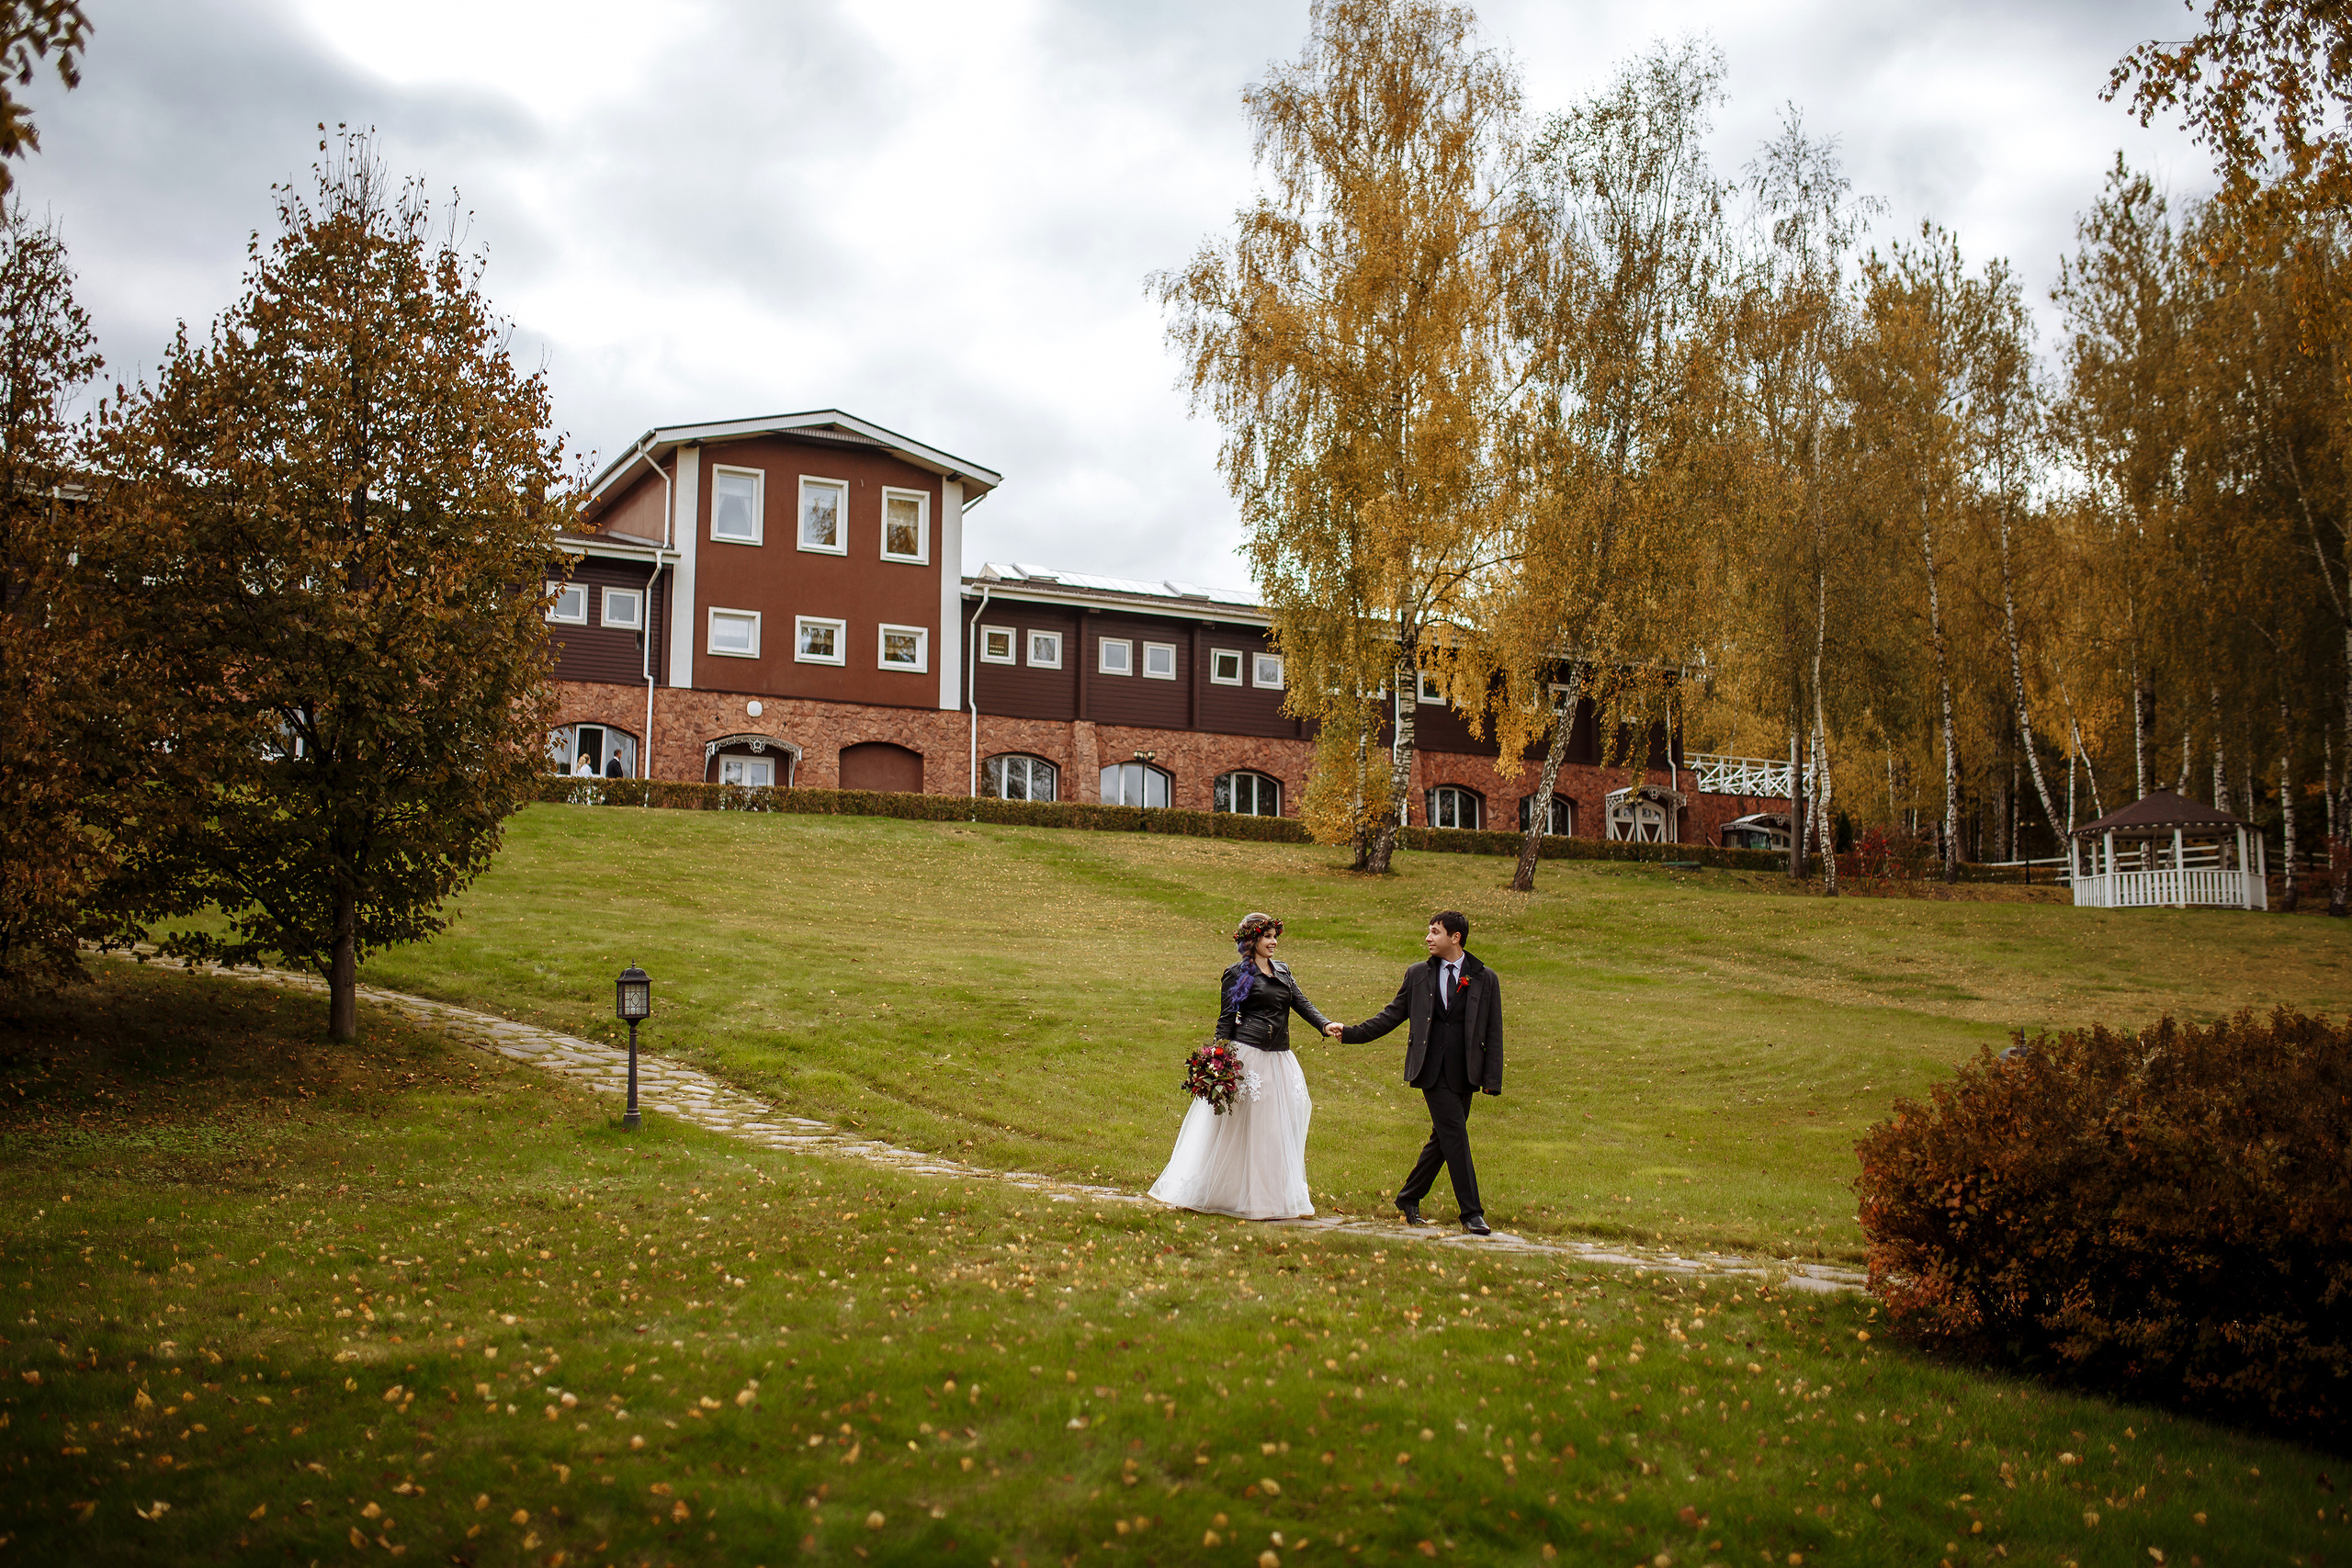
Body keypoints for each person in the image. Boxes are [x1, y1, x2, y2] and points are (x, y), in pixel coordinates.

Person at [1327, 909, 1501, 1235]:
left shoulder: (1484, 977)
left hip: (1467, 1073)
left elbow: (1493, 1030)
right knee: (1456, 1136)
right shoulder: (1418, 974)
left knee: (1445, 1138)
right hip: (1431, 1071)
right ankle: (1471, 1213)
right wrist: (1350, 1033)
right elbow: (1391, 1015)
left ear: (1455, 938)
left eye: (1435, 932)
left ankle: (1409, 1197)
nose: (1428, 938)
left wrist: (1491, 1079)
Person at [1148, 911, 1332, 1221]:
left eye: (1275, 936)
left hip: (1280, 1058)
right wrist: (1218, 1060)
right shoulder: (1237, 974)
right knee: (1244, 1126)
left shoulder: (1283, 971)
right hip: (1249, 1056)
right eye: (1267, 937)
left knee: (1273, 1128)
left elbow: (1300, 1002)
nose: (1273, 942)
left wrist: (1325, 1025)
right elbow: (1226, 1019)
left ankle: (1271, 1196)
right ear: (1252, 940)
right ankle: (1225, 1192)